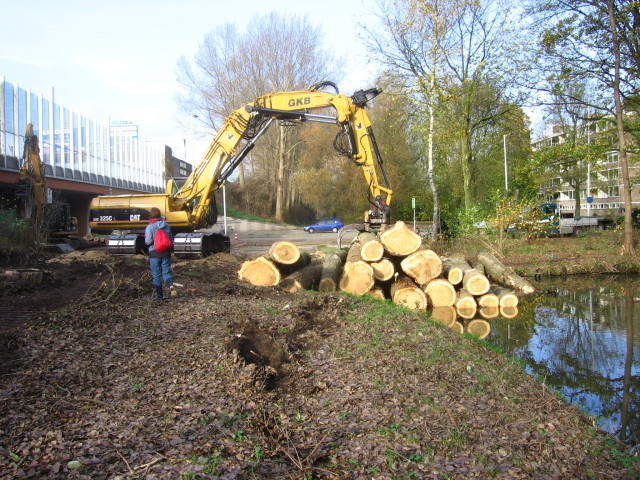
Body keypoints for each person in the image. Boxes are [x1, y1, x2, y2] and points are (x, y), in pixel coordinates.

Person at [144, 207, 177, 300]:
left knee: (156, 275)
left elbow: (147, 241)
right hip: (166, 253)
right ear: (159, 215)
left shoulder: (150, 226)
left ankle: (159, 296)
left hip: (154, 253)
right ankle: (170, 285)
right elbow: (171, 239)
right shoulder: (166, 225)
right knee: (166, 272)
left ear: (150, 216)